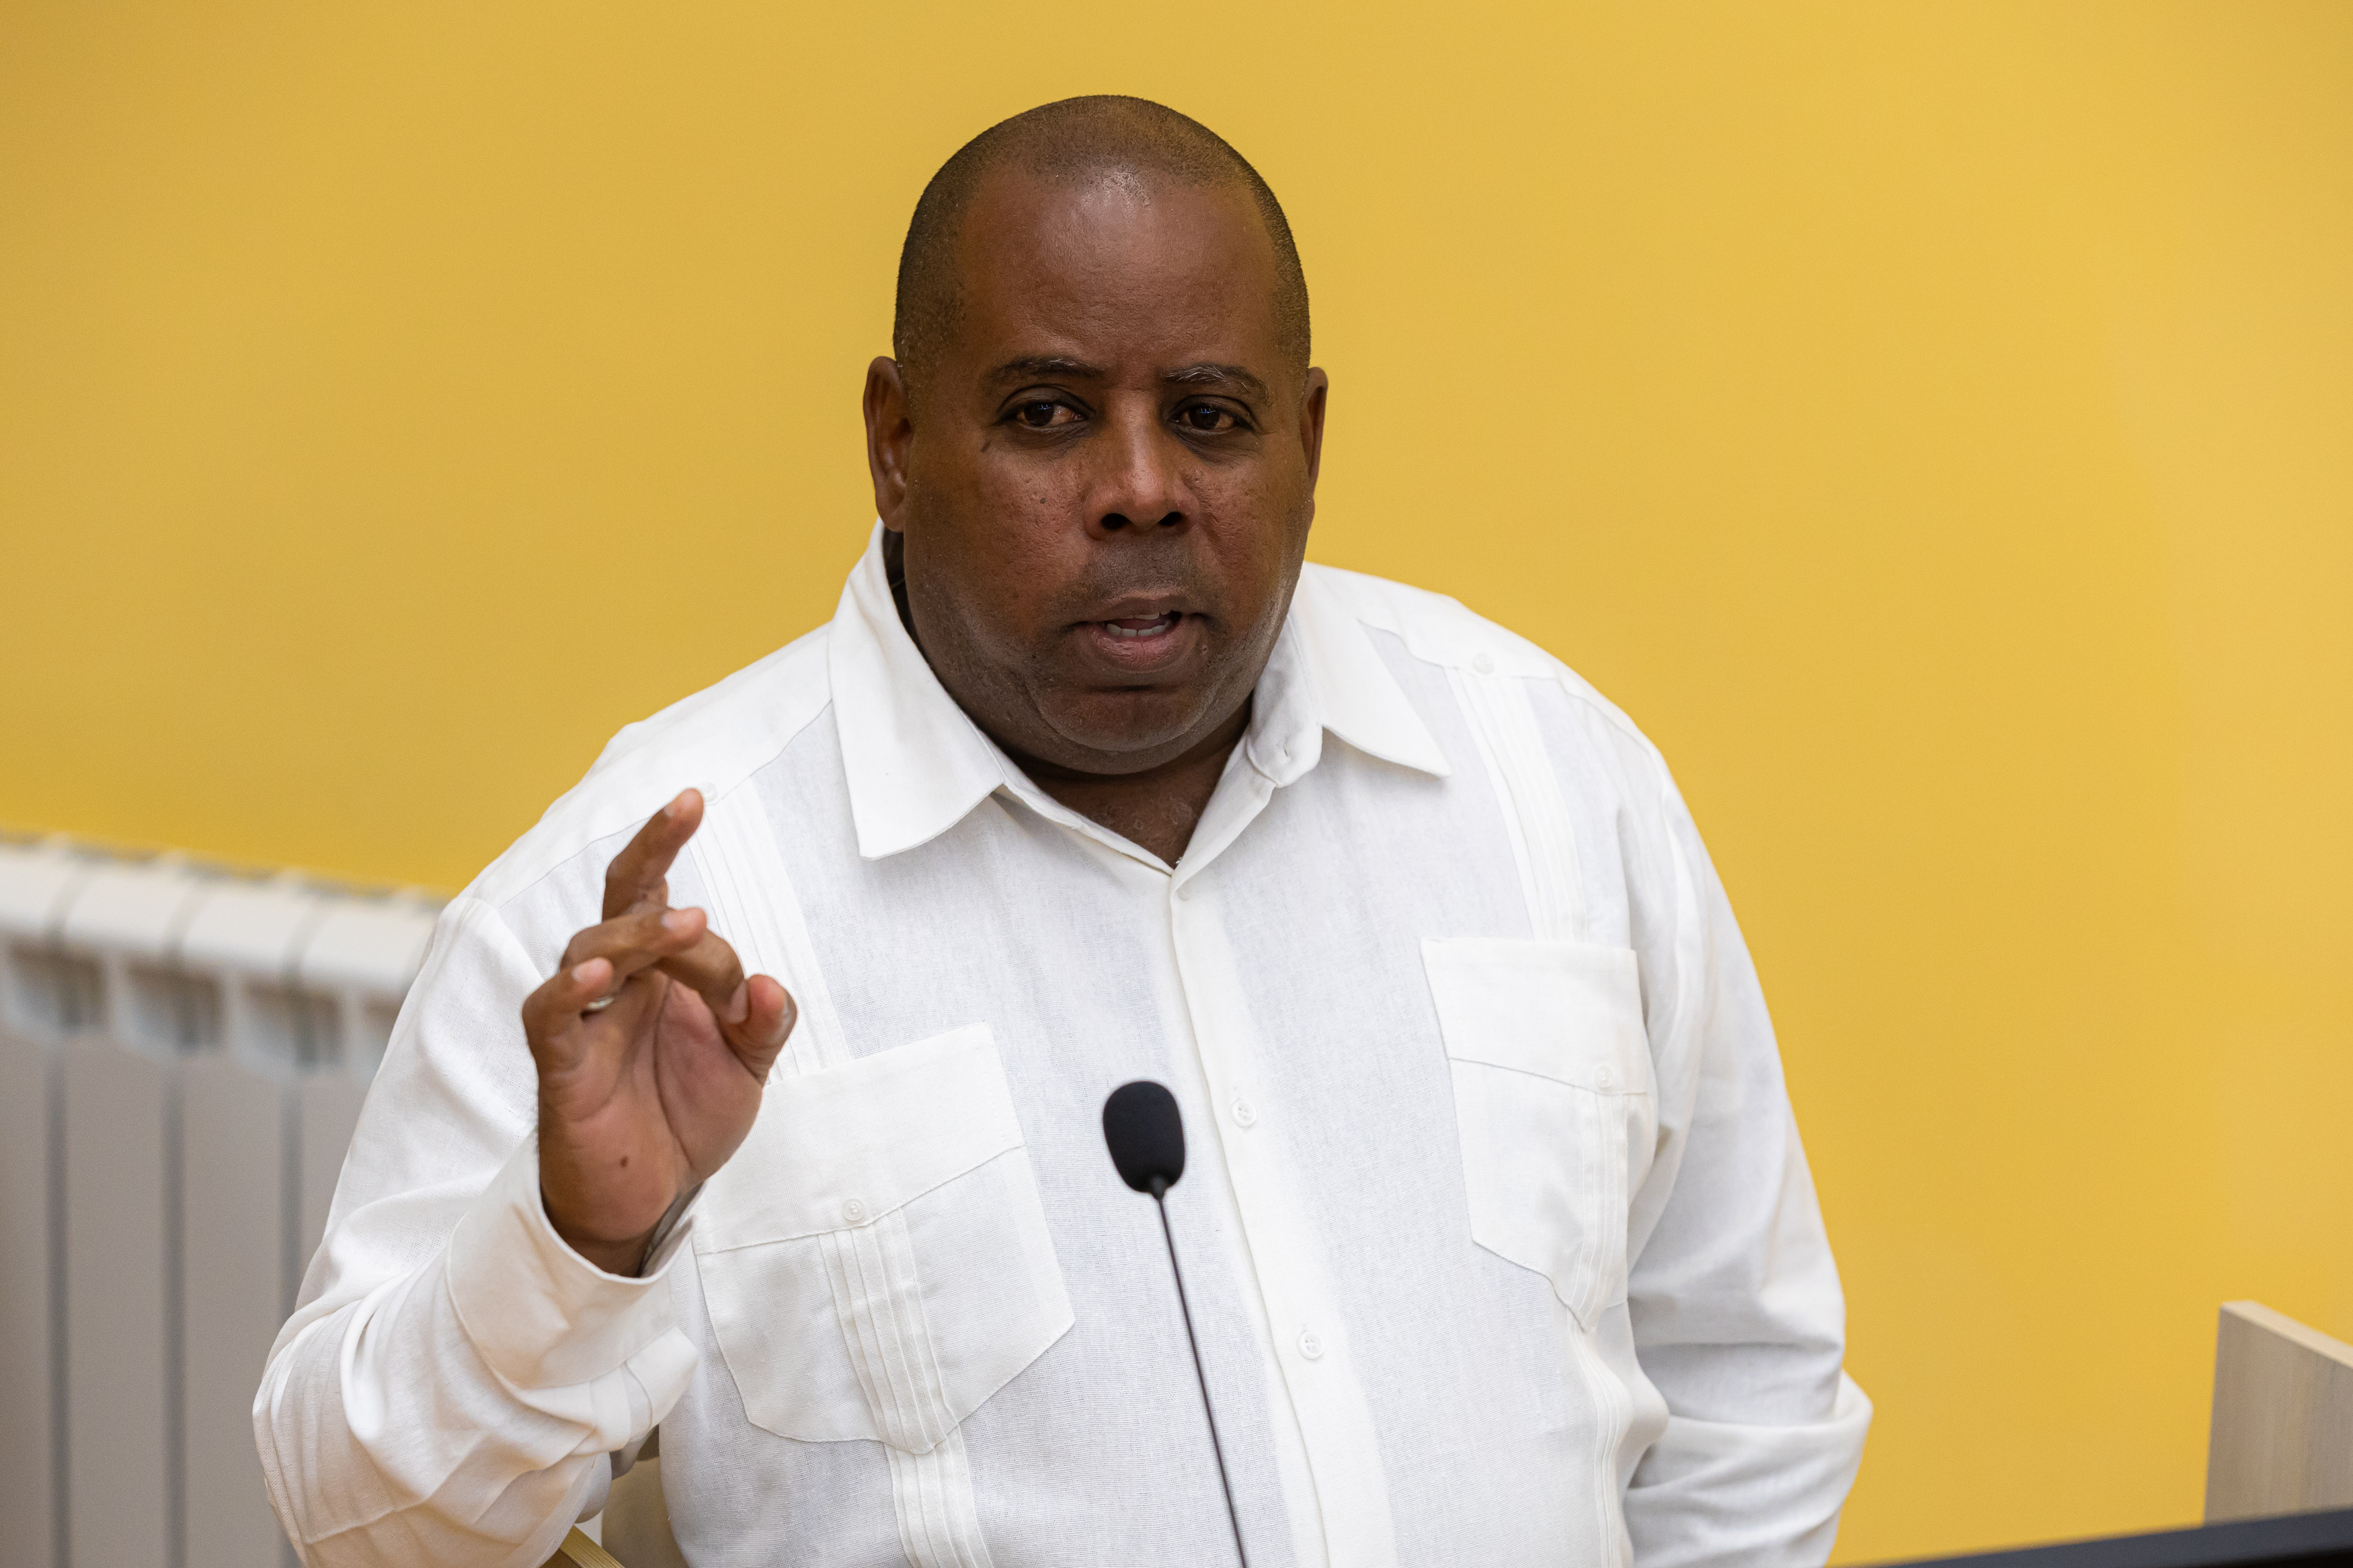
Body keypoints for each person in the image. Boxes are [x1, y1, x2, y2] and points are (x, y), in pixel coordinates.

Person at [254, 95, 1870, 1568]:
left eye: (1212, 418)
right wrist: (578, 1242)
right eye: (1045, 415)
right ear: (895, 443)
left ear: (1309, 441)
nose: (1141, 488)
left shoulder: (1547, 780)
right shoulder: (658, 910)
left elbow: (1744, 1387)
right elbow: (358, 1528)